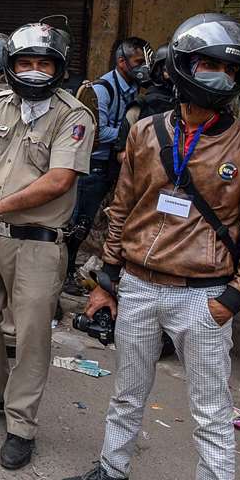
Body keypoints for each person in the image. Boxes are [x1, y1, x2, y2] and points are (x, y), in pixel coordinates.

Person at [56, 13, 240, 480]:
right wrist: (107, 280)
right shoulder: (145, 132)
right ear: (183, 65)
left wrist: (231, 300)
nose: (220, 75)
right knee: (128, 389)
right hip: (137, 284)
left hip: (201, 296)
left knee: (210, 413)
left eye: (231, 68)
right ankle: (112, 471)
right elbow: (122, 208)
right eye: (209, 63)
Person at [0, 23, 93, 470]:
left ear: (58, 68)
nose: (34, 71)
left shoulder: (74, 116)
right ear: (10, 66)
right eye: (25, 63)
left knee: (31, 335)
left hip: (38, 243)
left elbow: (59, 180)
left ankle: (21, 424)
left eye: (43, 63)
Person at [64, 37, 150, 295]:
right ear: (122, 62)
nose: (143, 67)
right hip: (94, 166)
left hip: (113, 166)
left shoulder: (133, 88)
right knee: (78, 223)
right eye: (138, 62)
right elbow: (97, 132)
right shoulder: (102, 89)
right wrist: (135, 135)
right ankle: (64, 275)